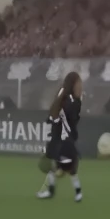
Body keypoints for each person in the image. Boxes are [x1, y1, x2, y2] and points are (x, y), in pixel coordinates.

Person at [38, 71, 83, 202]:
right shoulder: (66, 101)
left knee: (68, 167)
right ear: (72, 85)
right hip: (60, 138)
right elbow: (54, 117)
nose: (80, 86)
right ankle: (72, 192)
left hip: (66, 138)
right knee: (62, 167)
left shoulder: (74, 101)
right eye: (78, 83)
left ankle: (76, 192)